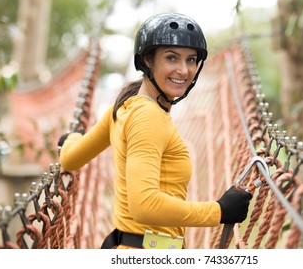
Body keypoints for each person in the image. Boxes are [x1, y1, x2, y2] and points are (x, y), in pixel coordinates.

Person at [58, 13, 252, 249]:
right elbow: (145, 205)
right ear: (147, 61)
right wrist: (219, 211)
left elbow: (70, 159)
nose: (183, 70)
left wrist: (73, 139)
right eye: (172, 58)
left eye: (191, 60)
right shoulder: (148, 116)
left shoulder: (124, 106)